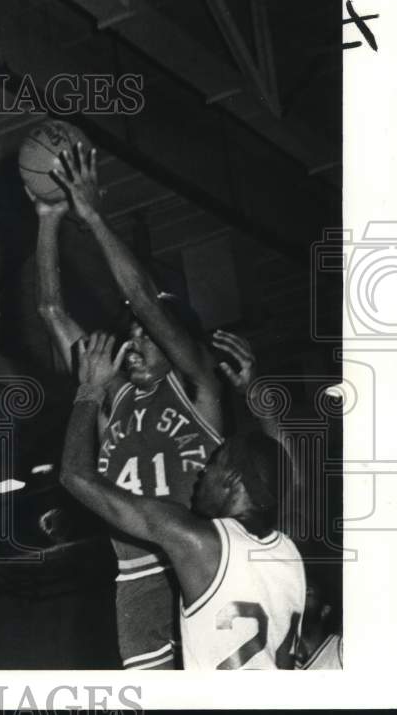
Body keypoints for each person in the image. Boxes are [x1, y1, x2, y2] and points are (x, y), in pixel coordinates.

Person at [37, 142, 224, 669]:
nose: (135, 344)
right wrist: (47, 218)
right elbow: (50, 310)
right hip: (134, 578)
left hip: (202, 563)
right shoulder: (110, 395)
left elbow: (141, 296)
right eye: (132, 337)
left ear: (179, 345)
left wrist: (92, 215)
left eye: (151, 338)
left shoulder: (198, 388)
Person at [59, 332, 305, 670]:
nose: (201, 472)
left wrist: (88, 389)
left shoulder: (195, 541)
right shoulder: (286, 544)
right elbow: (291, 472)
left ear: (233, 482)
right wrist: (256, 392)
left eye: (213, 464)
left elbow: (75, 476)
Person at [296, 568, 343, 669]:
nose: (298, 598)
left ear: (324, 611)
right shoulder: (277, 650)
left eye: (307, 593)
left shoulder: (341, 650)